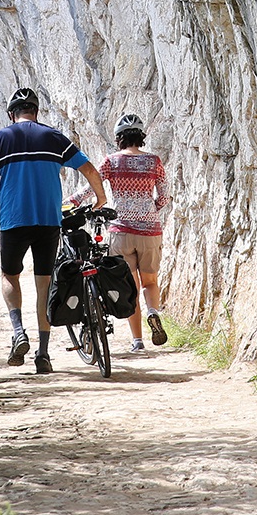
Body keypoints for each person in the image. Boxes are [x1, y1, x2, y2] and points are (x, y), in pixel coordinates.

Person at [0, 87, 107, 374]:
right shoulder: (54, 137)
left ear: (12, 114)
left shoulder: (0, 138)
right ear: (36, 112)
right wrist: (100, 198)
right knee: (44, 284)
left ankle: (18, 332)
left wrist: (3, 209)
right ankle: (43, 354)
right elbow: (89, 170)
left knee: (9, 275)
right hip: (49, 221)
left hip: (14, 219)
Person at [102, 113, 172, 351]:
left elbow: (92, 186)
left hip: (121, 231)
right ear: (141, 136)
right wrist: (150, 210)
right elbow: (164, 196)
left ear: (119, 138)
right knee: (149, 282)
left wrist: (72, 202)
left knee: (130, 289)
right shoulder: (154, 161)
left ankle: (138, 342)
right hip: (150, 232)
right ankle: (153, 312)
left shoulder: (111, 161)